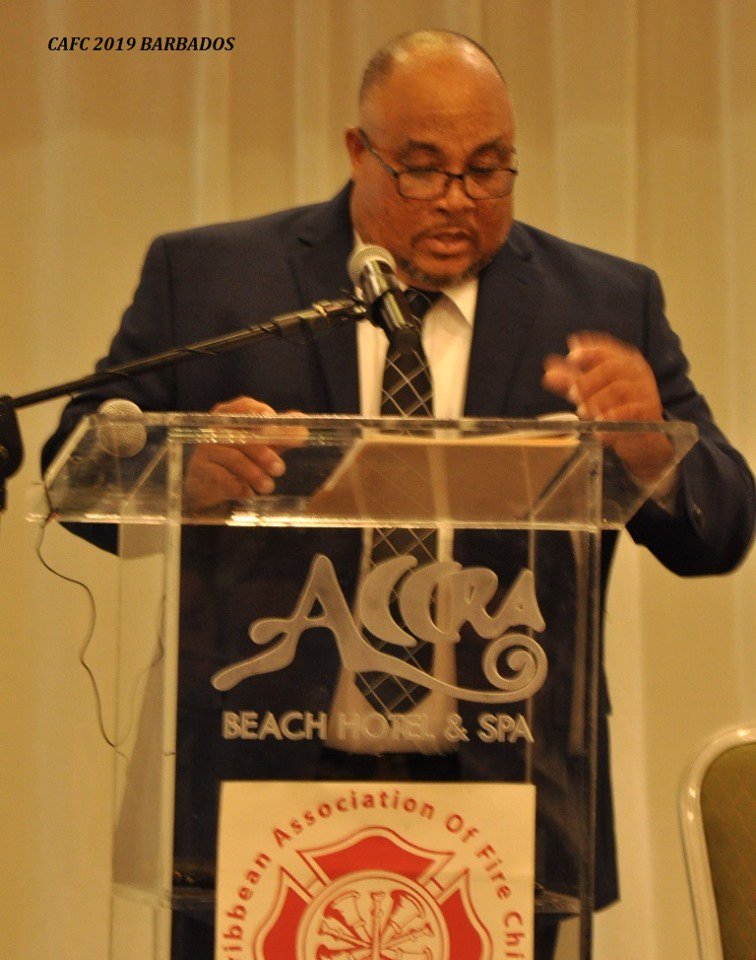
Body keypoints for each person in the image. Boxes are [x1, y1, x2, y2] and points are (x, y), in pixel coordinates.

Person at [43, 29, 754, 960]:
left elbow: (722, 527)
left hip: (505, 786)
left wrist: (653, 449)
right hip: (260, 773)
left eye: (488, 169)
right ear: (358, 150)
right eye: (422, 169)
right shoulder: (217, 282)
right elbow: (78, 461)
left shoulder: (602, 302)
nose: (459, 198)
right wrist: (182, 472)